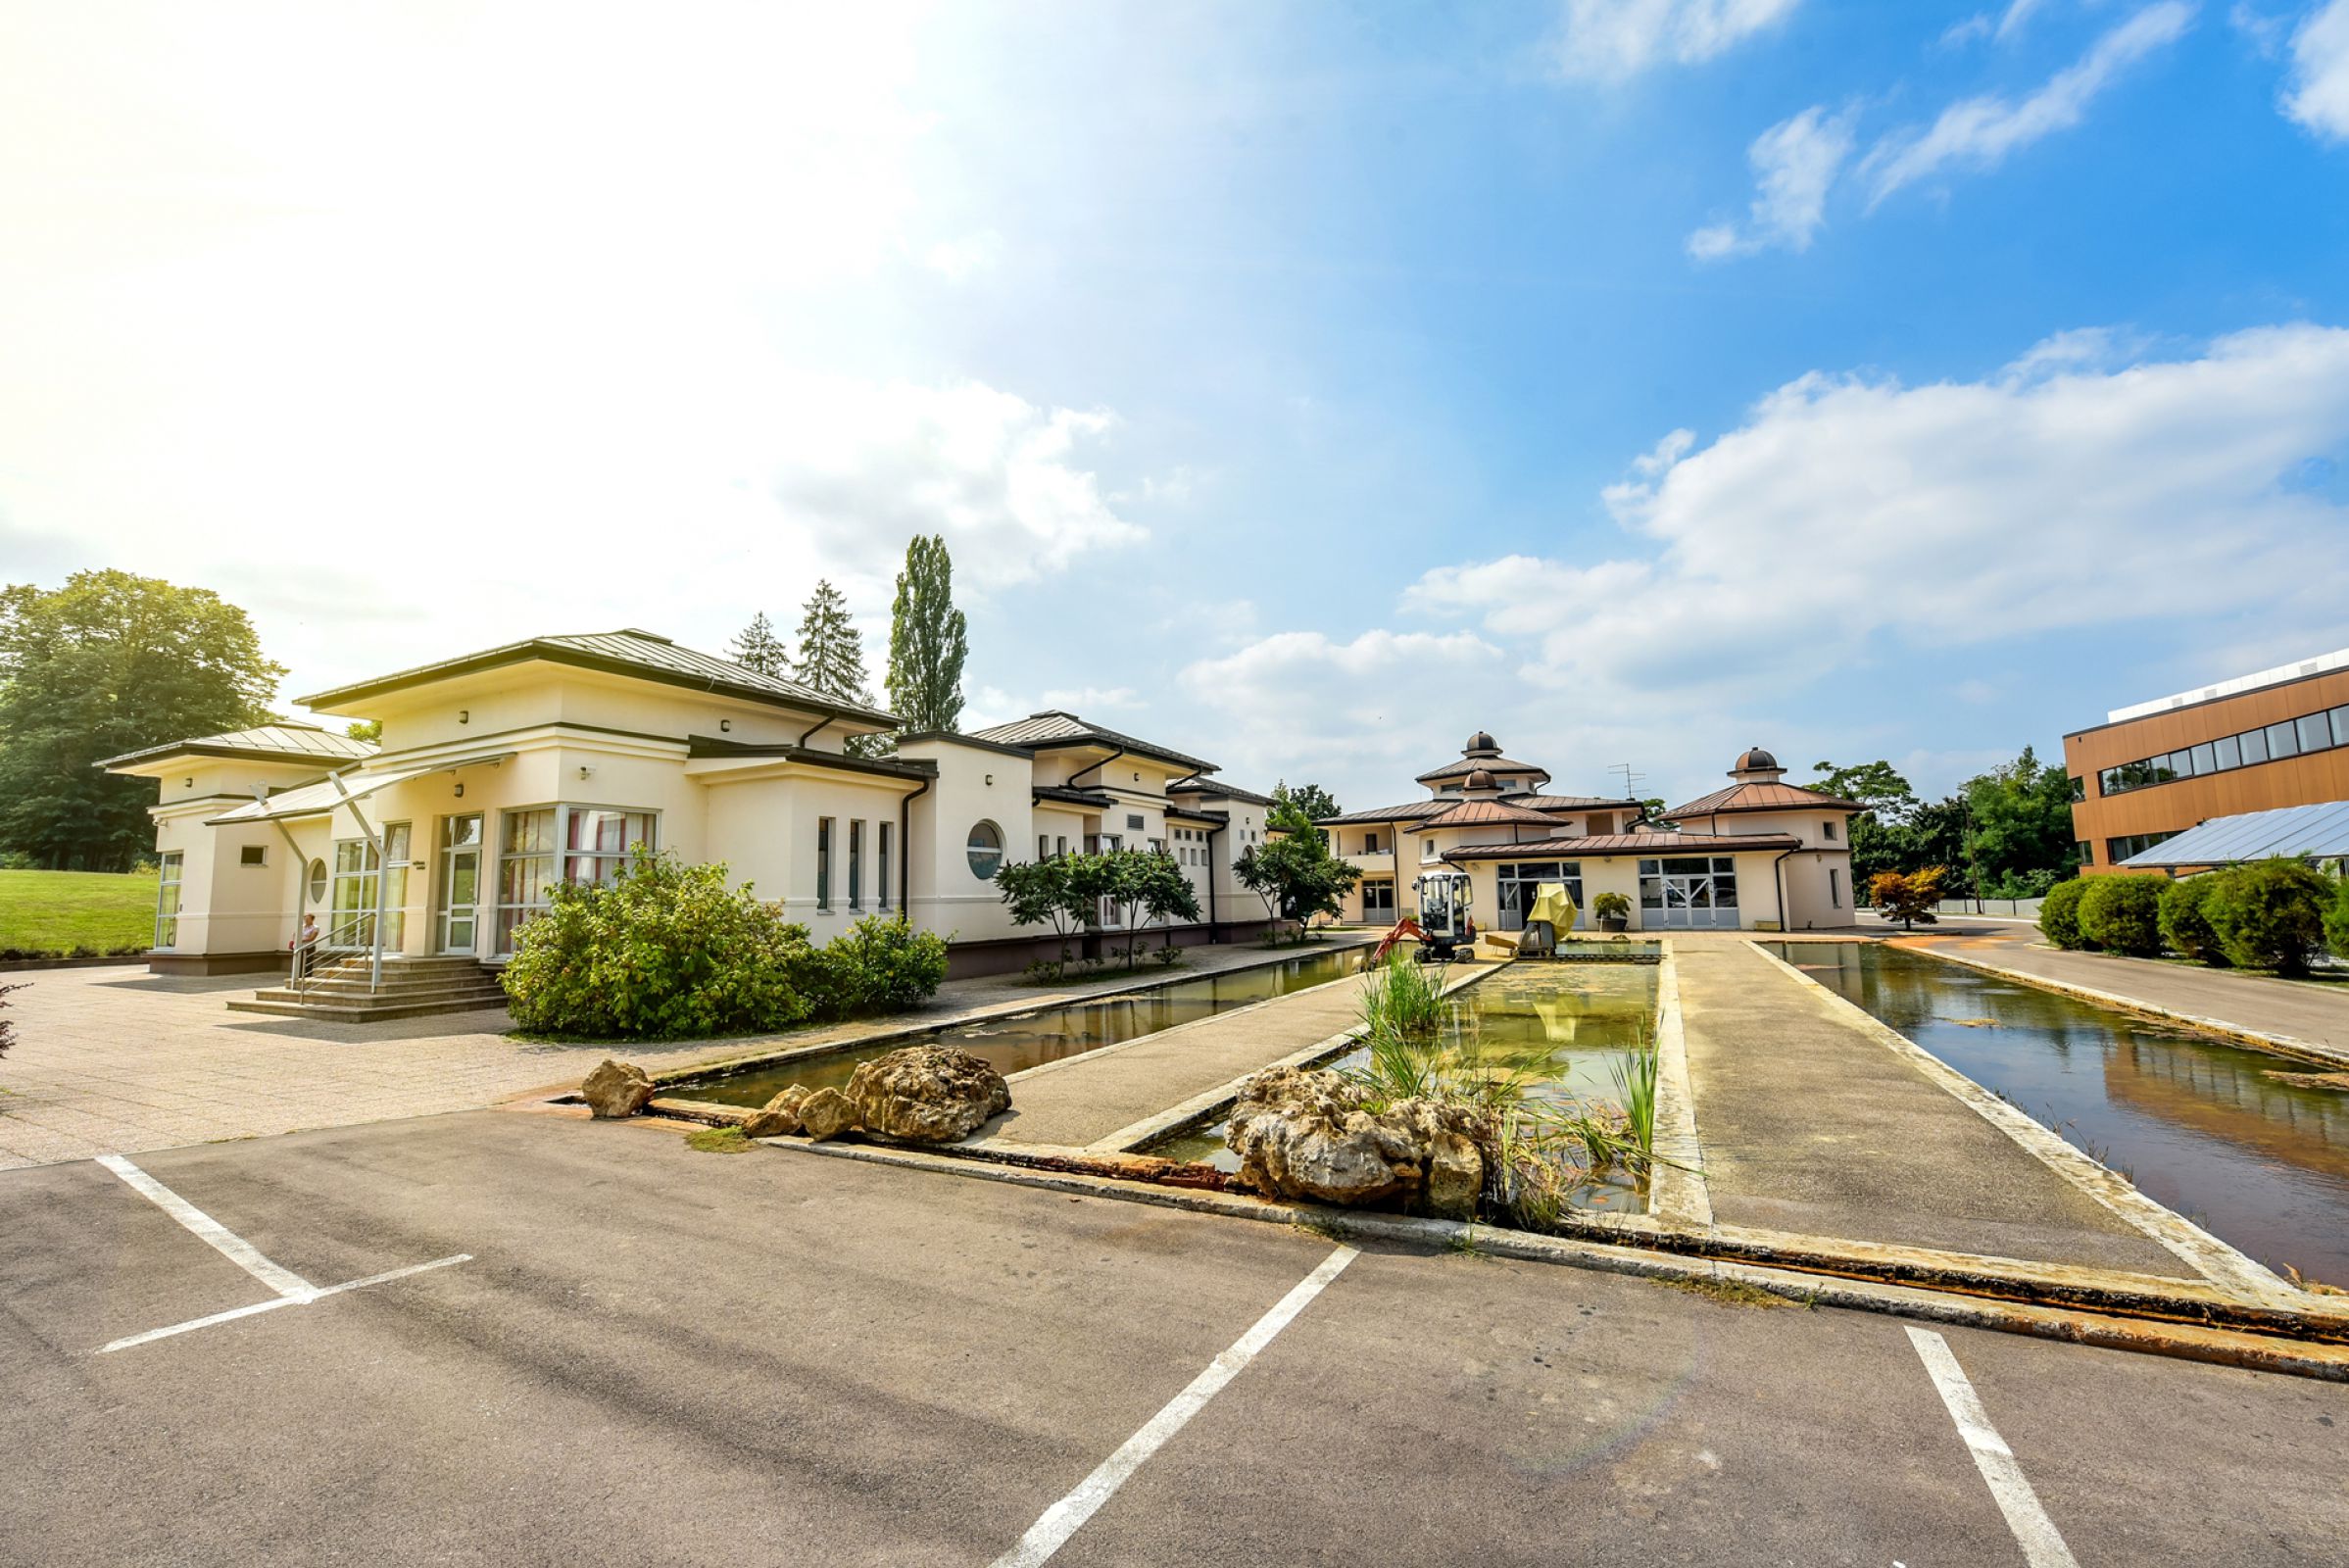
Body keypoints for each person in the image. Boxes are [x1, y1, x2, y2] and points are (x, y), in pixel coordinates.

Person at [290, 912, 321, 983]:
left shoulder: (315, 927)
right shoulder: (301, 926)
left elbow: (311, 938)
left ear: (312, 920)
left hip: (308, 947)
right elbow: (295, 934)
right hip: (298, 947)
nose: (306, 920)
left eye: (308, 919)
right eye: (305, 919)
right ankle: (298, 976)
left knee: (307, 962)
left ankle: (307, 977)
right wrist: (295, 940)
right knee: (298, 962)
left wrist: (300, 940)